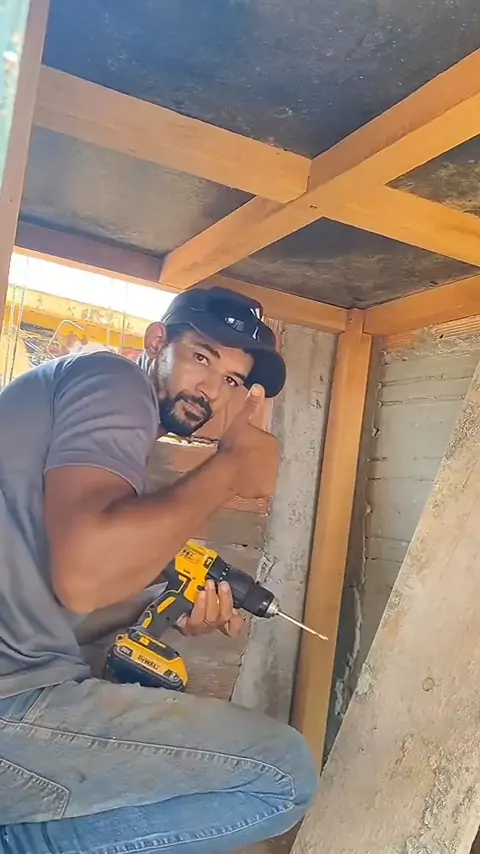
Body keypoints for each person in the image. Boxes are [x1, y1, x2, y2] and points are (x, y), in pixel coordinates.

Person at [0, 286, 318, 854]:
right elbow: (83, 577)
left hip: (21, 687)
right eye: (202, 357)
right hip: (11, 700)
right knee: (282, 776)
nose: (211, 390)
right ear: (155, 343)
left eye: (232, 380)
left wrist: (159, 610)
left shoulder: (96, 426)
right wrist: (229, 469)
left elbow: (60, 594)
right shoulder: (115, 382)